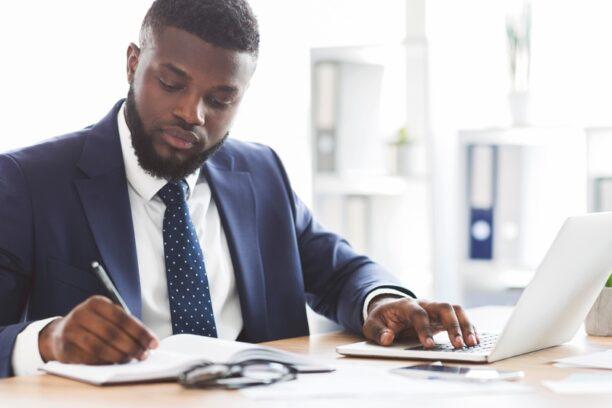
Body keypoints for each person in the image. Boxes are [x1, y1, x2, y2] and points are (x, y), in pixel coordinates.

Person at [0, 0, 478, 378]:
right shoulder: (29, 182)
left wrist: (382, 301)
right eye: (171, 83)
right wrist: (47, 340)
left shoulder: (261, 171)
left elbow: (337, 272)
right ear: (132, 63)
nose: (193, 114)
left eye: (220, 99)